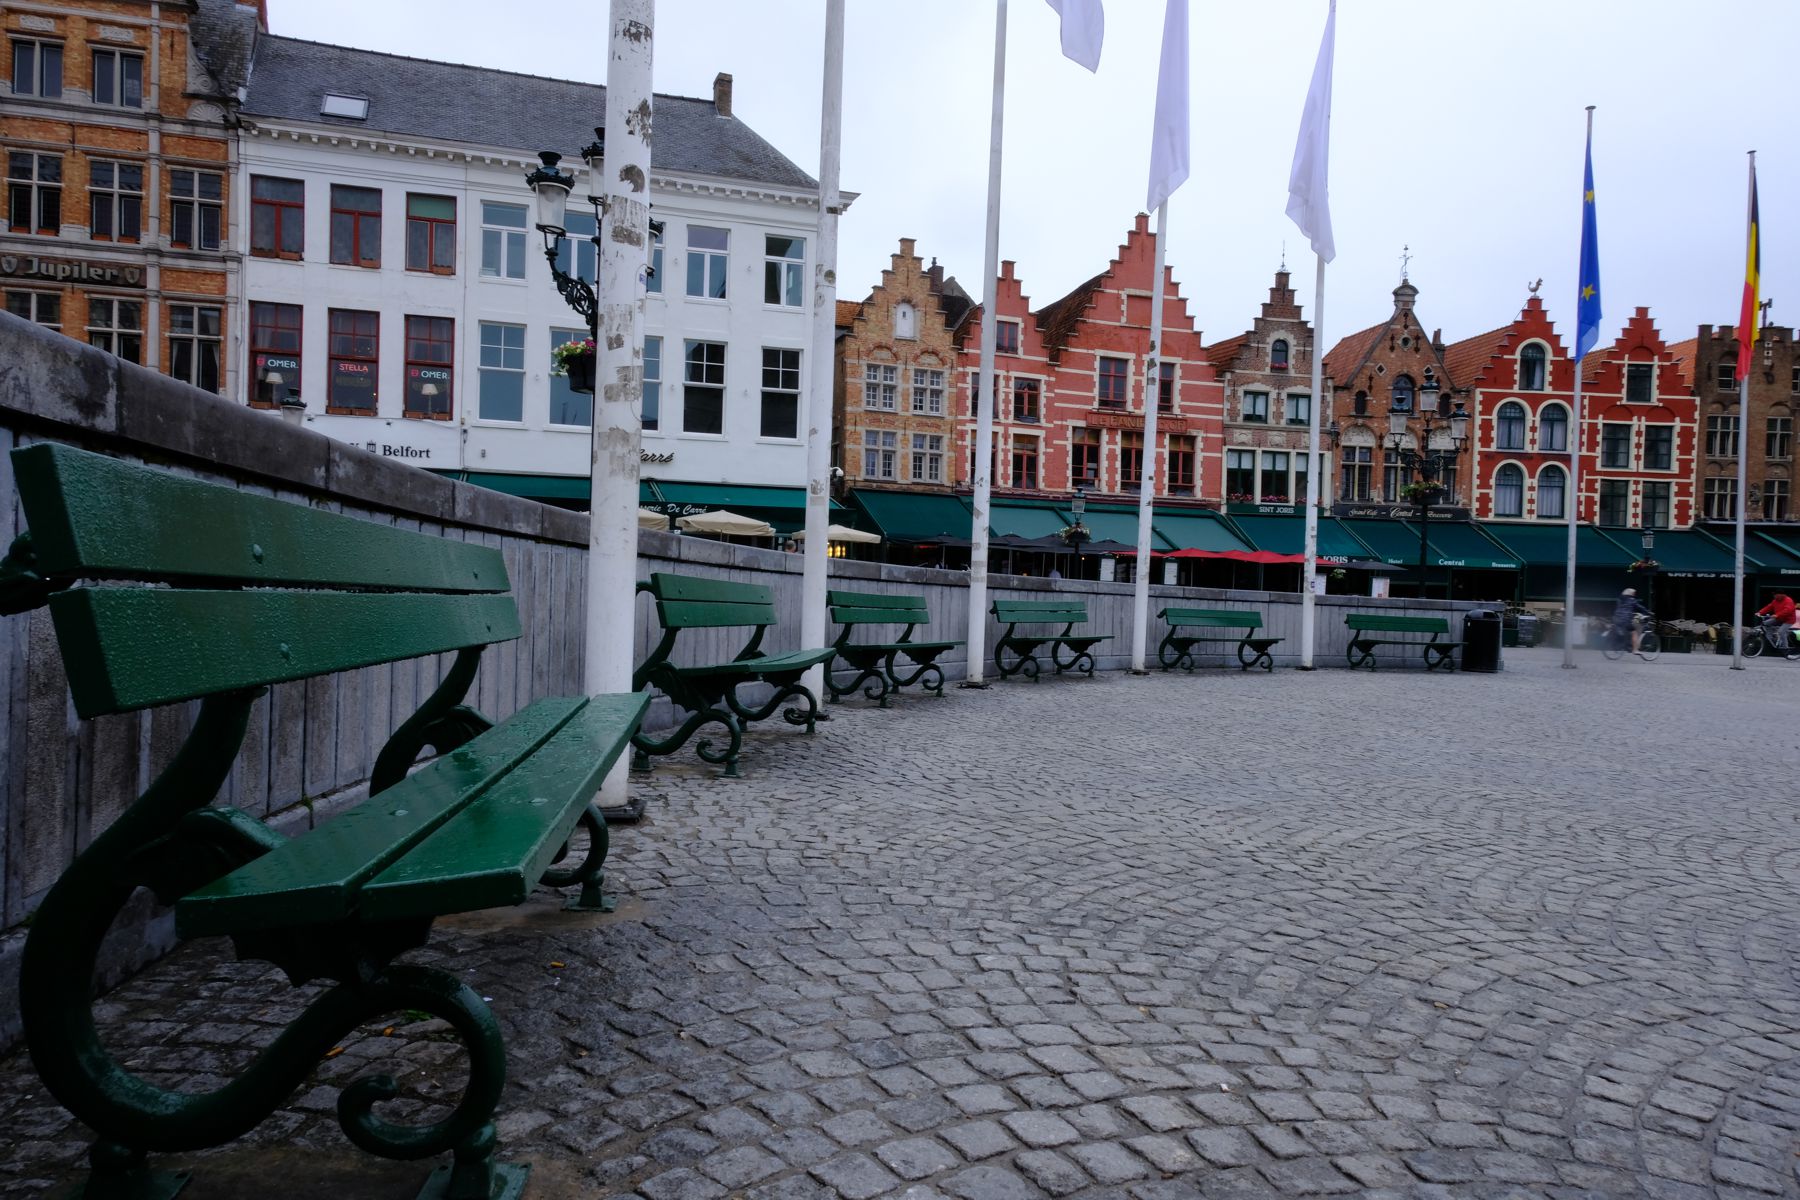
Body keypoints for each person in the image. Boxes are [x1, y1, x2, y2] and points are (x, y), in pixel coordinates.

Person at [1613, 587, 1650, 655]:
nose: (1634, 594)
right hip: (1626, 619)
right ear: (1631, 594)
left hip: (1616, 618)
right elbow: (1640, 607)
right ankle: (1635, 650)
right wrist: (1648, 612)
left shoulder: (1619, 600)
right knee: (1634, 632)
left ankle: (1626, 645)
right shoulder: (1632, 600)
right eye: (1633, 593)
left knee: (1624, 629)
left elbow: (1623, 608)